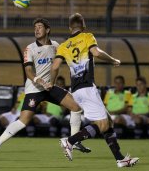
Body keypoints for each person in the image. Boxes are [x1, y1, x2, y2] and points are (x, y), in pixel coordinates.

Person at [0, 18, 89, 160]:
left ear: (47, 30)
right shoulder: (30, 48)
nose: (37, 29)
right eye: (35, 27)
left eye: (40, 27)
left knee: (76, 107)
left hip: (50, 87)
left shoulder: (56, 46)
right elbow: (28, 71)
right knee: (23, 121)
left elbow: (59, 64)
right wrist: (38, 80)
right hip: (34, 88)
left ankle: (73, 141)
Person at [47, 13, 139, 167]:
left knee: (108, 121)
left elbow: (55, 66)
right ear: (83, 26)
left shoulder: (63, 46)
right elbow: (96, 52)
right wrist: (113, 60)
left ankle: (120, 159)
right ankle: (70, 141)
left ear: (70, 27)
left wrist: (52, 83)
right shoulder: (87, 36)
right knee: (103, 124)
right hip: (87, 87)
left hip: (76, 90)